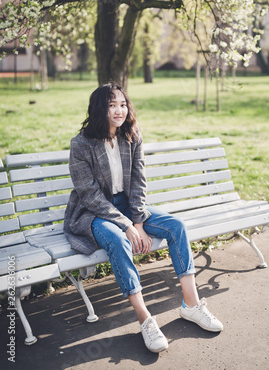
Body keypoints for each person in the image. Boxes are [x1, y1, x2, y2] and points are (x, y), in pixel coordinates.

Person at [64, 82, 223, 353]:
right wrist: (127, 226)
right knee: (117, 239)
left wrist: (137, 221)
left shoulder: (132, 135)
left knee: (176, 226)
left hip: (129, 206)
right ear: (99, 108)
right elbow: (90, 196)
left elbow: (138, 180)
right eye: (112, 105)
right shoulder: (81, 144)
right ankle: (145, 319)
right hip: (93, 213)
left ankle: (192, 305)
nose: (119, 110)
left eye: (123, 104)